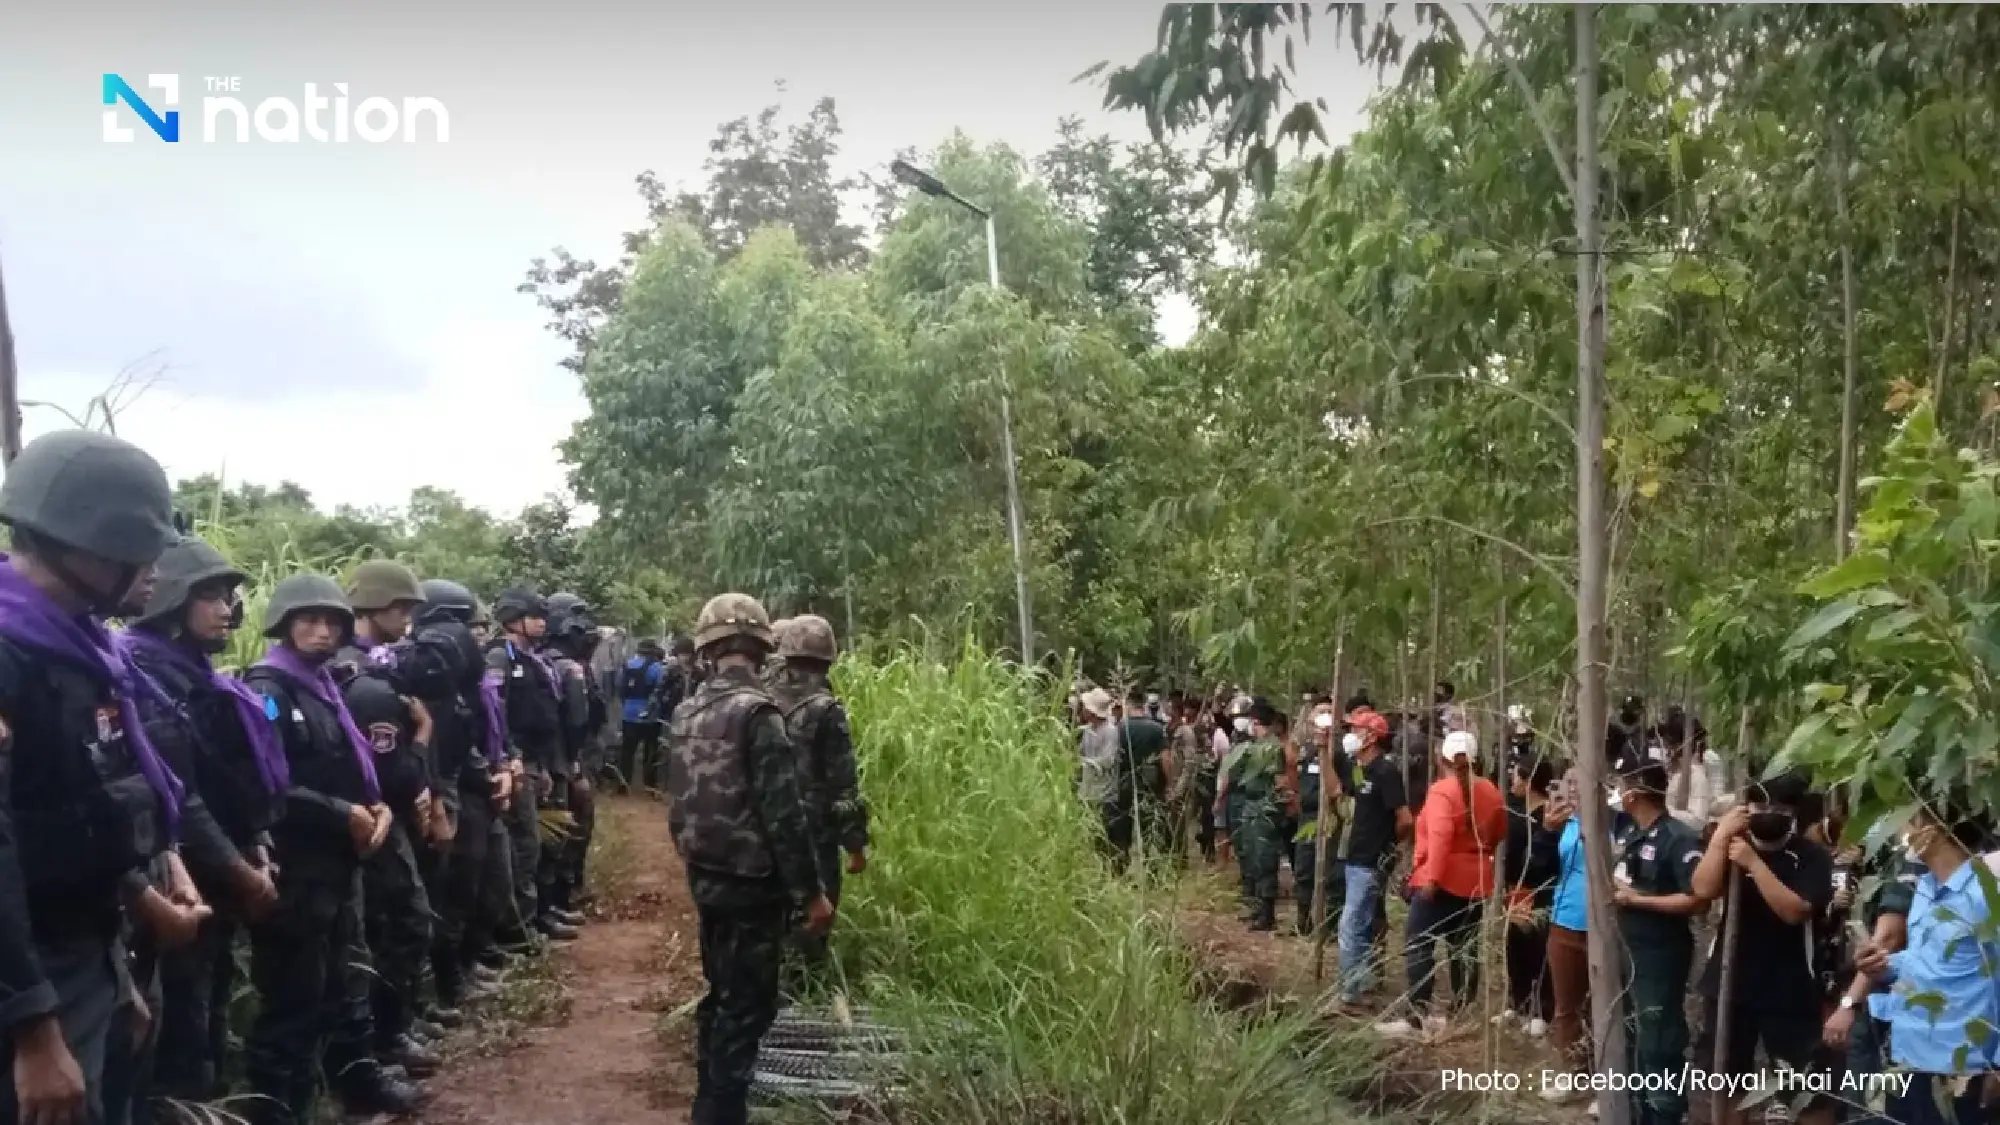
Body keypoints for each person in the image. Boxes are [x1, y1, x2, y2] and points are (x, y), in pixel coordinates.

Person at [0, 431, 190, 1125]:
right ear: (100, 548)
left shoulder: (78, 649)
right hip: (31, 978)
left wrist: (112, 972)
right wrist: (36, 1027)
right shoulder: (13, 654)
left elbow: (84, 811)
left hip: (82, 956)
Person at [242, 574, 418, 1124]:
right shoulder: (270, 691)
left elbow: (352, 765)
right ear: (285, 626)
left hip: (336, 864)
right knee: (292, 1004)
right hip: (296, 867)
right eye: (308, 621)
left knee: (340, 986)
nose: (322, 632)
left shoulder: (323, 687)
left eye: (332, 623)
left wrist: (376, 805)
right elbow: (268, 784)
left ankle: (350, 1091)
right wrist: (343, 813)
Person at [120, 536, 287, 1104]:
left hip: (225, 870)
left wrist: (257, 843)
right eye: (210, 596)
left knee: (213, 1003)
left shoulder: (207, 679)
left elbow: (240, 776)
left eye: (229, 598)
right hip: (181, 881)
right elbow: (181, 796)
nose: (227, 610)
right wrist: (241, 869)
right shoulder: (146, 676)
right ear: (170, 601)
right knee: (183, 1033)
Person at [663, 593, 832, 1125]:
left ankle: (706, 1100)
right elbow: (785, 816)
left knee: (720, 993)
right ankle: (721, 1111)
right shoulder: (760, 714)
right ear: (763, 648)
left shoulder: (688, 709)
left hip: (705, 874)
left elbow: (676, 802)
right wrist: (811, 893)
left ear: (709, 649)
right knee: (748, 1007)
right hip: (752, 884)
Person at [333, 560, 446, 1080]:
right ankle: (387, 1035)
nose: (407, 619)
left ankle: (388, 1029)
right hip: (375, 818)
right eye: (402, 608)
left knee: (383, 925)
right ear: (377, 608)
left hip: (363, 816)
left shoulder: (354, 666)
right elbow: (396, 773)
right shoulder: (370, 682)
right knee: (405, 919)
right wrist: (421, 738)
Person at [1691, 771, 1836, 1125]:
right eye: (1760, 804)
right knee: (1725, 1081)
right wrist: (1721, 838)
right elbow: (1703, 889)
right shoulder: (1733, 844)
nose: (1768, 812)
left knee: (1807, 1088)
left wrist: (1754, 865)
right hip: (1730, 983)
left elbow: (1795, 910)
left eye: (1779, 807)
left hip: (1790, 985)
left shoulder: (1811, 857)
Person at [1854, 798, 1999, 1125]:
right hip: (1909, 1057)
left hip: (1960, 1069)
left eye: (1906, 821)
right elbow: (1928, 962)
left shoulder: (1986, 895)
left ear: (1930, 830)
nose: (1898, 832)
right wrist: (1885, 965)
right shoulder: (1927, 889)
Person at [408, 579, 509, 1013]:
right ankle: (446, 983)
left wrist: (494, 774)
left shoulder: (458, 685)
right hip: (431, 794)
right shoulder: (419, 680)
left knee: (473, 884)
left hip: (463, 787)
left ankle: (462, 969)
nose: (476, 636)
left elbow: (466, 740)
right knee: (444, 891)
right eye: (467, 626)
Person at [1378, 730, 1506, 1038]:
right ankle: (1461, 1013)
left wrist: (1431, 879)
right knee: (1463, 946)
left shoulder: (1441, 792)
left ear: (1441, 758)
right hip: (1476, 881)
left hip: (1442, 879)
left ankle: (1416, 1016)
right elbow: (1500, 831)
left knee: (1419, 942)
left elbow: (1440, 838)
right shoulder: (1491, 790)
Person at [763, 615, 868, 980]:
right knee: (813, 921)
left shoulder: (761, 699)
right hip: (813, 834)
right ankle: (800, 998)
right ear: (827, 661)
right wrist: (855, 845)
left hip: (763, 826)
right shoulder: (826, 710)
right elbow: (843, 786)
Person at [1609, 750, 1707, 1125]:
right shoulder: (1630, 831)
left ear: (1635, 792)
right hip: (1629, 947)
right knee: (1634, 1031)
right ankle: (1639, 1108)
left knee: (1659, 1033)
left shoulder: (1678, 838)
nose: (1619, 792)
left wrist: (1639, 901)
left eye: (1623, 785)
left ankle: (1666, 1110)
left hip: (1661, 953)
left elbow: (1697, 900)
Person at [486, 587, 574, 944]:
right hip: (518, 762)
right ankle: (519, 928)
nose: (542, 621)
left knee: (540, 844)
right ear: (513, 620)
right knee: (524, 843)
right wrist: (511, 758)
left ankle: (540, 913)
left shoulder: (535, 659)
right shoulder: (500, 658)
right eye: (534, 615)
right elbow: (496, 714)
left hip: (539, 759)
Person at [1333, 707, 1410, 1007]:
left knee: (1350, 925)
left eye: (1356, 730)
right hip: (1356, 858)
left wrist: (1388, 846)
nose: (1350, 735)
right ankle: (1363, 983)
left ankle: (1349, 992)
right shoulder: (1360, 769)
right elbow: (1340, 791)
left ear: (1371, 737)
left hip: (1371, 860)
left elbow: (1405, 819)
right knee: (1361, 923)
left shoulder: (1386, 772)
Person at [541, 593, 602, 927]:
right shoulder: (565, 666)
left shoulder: (551, 661)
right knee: (569, 826)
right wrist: (575, 761)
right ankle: (561, 895)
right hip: (563, 759)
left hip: (558, 758)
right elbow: (577, 720)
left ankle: (563, 893)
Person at [1215, 698, 1288, 931]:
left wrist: (1273, 806)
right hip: (1250, 804)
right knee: (1251, 857)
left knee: (1265, 858)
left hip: (1263, 808)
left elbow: (1279, 781)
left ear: (1257, 722)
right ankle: (1257, 907)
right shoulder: (1251, 746)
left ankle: (1267, 913)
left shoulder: (1272, 747)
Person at [1500, 751, 1558, 1036]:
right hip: (1515, 889)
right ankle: (1518, 1002)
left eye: (1517, 775)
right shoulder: (1517, 811)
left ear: (1528, 780)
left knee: (1538, 946)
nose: (1512, 780)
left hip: (1540, 890)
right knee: (1516, 945)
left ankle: (1542, 1010)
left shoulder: (1549, 816)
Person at [1543, 771, 1592, 1093]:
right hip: (1565, 920)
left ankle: (1605, 1077)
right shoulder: (1566, 823)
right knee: (1566, 1006)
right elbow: (1543, 868)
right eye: (1568, 784)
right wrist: (1548, 831)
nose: (1571, 790)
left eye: (1578, 784)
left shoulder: (1614, 823)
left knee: (1603, 1006)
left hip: (1603, 926)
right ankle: (1570, 1072)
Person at [1290, 697, 1345, 938]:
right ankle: (1303, 922)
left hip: (1332, 818)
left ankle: (1331, 926)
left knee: (1332, 873)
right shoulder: (1306, 750)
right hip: (1308, 817)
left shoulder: (1340, 751)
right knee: (1304, 870)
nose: (1322, 717)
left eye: (1327, 712)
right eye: (1318, 713)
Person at [1113, 687, 1173, 868]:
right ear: (1144, 705)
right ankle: (1151, 866)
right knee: (1150, 824)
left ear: (1128, 705)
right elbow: (1166, 759)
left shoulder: (1119, 728)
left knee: (1124, 825)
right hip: (1150, 782)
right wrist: (1168, 783)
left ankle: (1121, 865)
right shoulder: (1156, 728)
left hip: (1124, 782)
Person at [617, 639, 667, 791]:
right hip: (649, 715)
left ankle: (623, 784)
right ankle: (649, 785)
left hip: (628, 713)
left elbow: (619, 686)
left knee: (627, 751)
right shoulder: (656, 667)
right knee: (650, 750)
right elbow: (660, 688)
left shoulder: (626, 665)